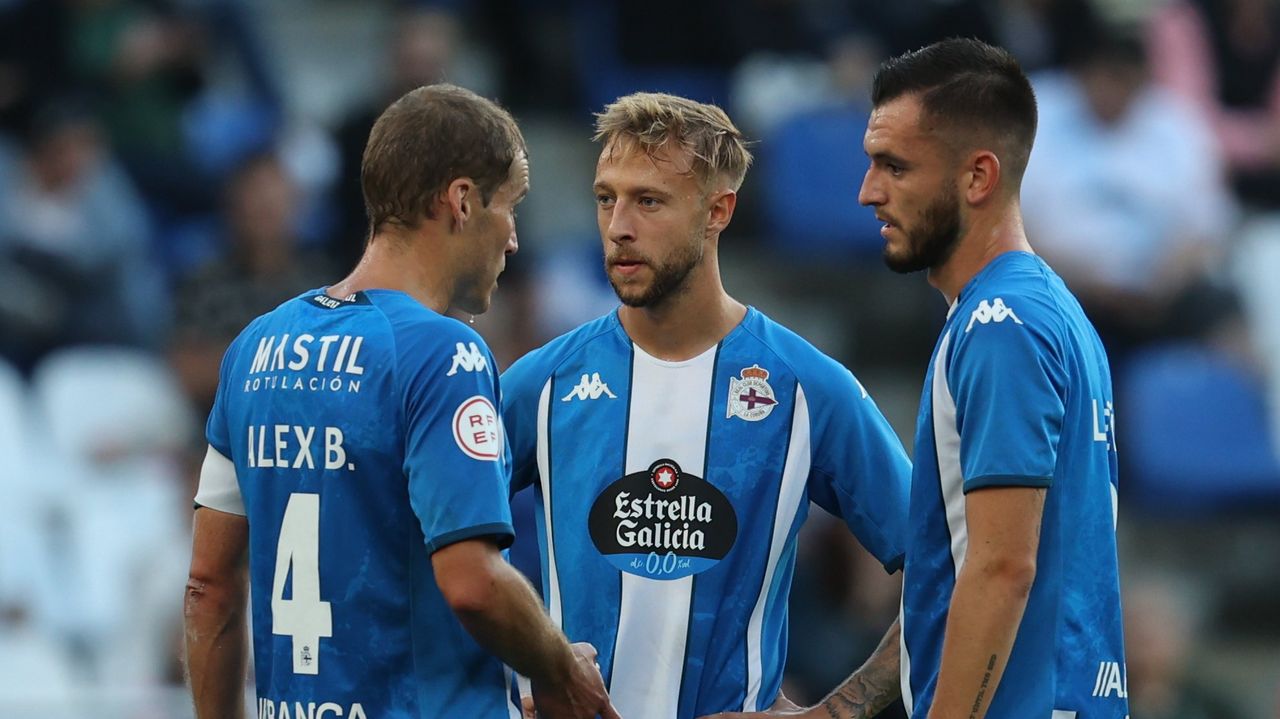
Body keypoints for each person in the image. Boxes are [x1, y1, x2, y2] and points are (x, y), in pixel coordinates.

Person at [182, 83, 617, 719]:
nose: (514, 239)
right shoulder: (442, 354)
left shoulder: (256, 348)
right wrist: (560, 667)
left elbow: (208, 587)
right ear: (463, 202)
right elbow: (472, 584)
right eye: (510, 206)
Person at [500, 92, 911, 719]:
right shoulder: (544, 383)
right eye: (606, 198)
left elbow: (948, 567)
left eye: (649, 200)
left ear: (718, 211)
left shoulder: (805, 388)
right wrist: (495, 691)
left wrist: (839, 712)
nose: (618, 226)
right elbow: (429, 540)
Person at [857, 39, 1126, 718]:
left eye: (894, 166)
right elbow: (966, 566)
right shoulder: (1045, 310)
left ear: (978, 177)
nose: (869, 192)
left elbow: (1004, 569)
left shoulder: (1002, 324)